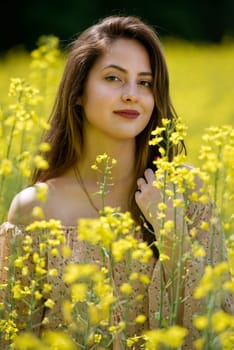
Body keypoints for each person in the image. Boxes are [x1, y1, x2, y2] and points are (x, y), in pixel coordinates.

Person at [0, 15, 232, 349]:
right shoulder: (34, 208)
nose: (131, 95)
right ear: (78, 92)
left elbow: (218, 327)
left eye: (145, 83)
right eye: (114, 78)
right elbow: (14, 338)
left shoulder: (184, 190)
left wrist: (172, 232)